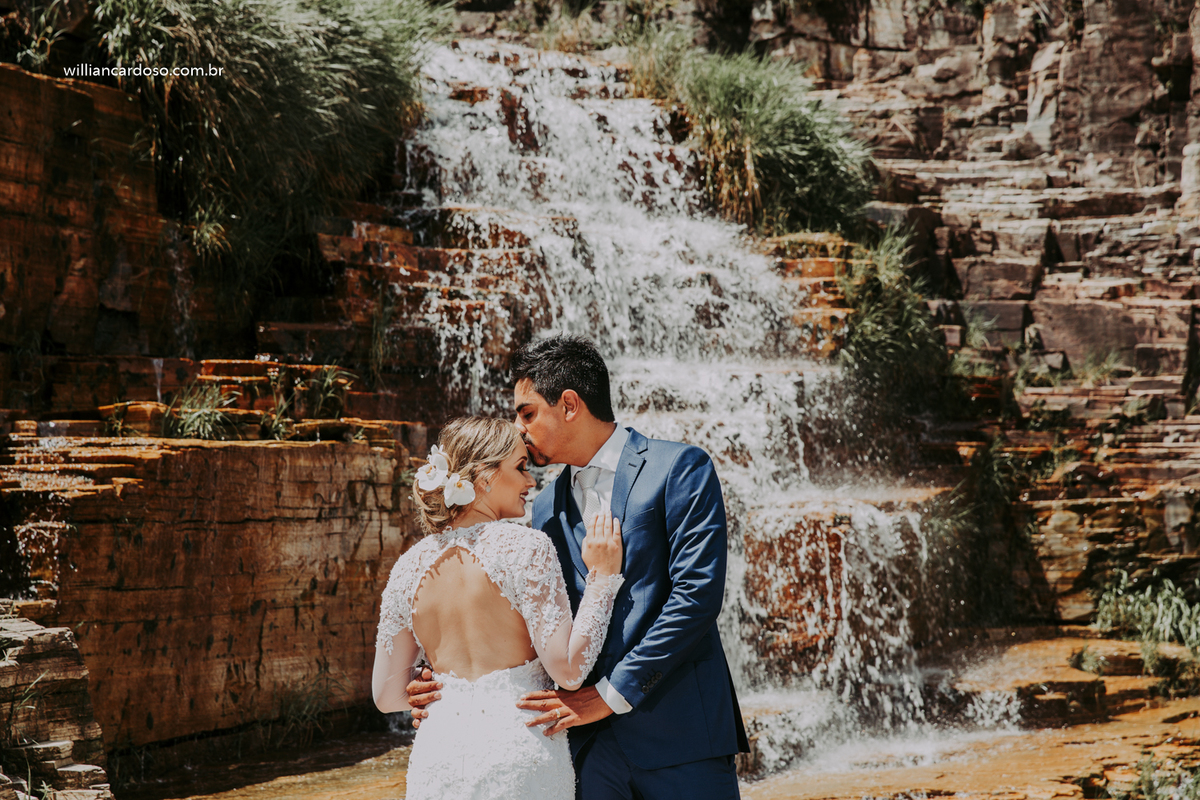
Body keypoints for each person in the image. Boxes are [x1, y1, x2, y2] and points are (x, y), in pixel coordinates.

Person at [408, 335, 749, 800]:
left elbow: (697, 597)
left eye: (527, 413)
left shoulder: (679, 468)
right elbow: (524, 615)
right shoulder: (543, 503)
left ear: (569, 404)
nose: (518, 429)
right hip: (583, 748)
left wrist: (610, 694)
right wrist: (438, 677)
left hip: (680, 734)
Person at [372, 416, 626, 799]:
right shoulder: (526, 547)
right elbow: (569, 671)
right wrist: (603, 579)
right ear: (484, 477)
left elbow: (386, 696)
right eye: (521, 467)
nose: (531, 482)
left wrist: (428, 682)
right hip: (518, 754)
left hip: (438, 756)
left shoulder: (408, 567)